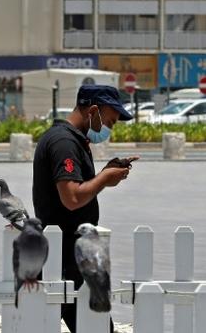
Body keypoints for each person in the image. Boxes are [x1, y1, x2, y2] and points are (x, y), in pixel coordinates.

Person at [32, 85, 135, 332]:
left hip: (68, 258)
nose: (110, 127)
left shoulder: (71, 139)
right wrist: (105, 178)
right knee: (96, 327)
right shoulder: (64, 142)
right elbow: (72, 198)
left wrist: (105, 172)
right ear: (93, 111)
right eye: (110, 120)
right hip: (67, 262)